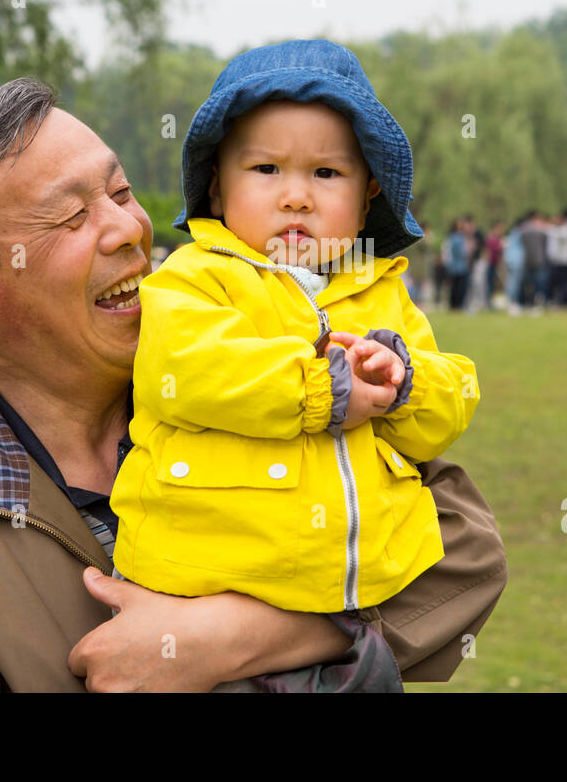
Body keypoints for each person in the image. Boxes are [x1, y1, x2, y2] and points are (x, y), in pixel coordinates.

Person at [0, 78, 507, 692]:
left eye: (120, 193)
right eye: (71, 217)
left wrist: (233, 637)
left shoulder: (241, 369)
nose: (130, 230)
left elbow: (465, 548)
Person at [112, 40, 482, 646]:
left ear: (368, 199)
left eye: (326, 173)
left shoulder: (384, 292)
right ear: (214, 187)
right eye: (265, 170)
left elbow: (441, 417)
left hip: (351, 597)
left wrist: (403, 382)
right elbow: (184, 369)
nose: (296, 196)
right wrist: (321, 389)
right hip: (197, 581)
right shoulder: (196, 276)